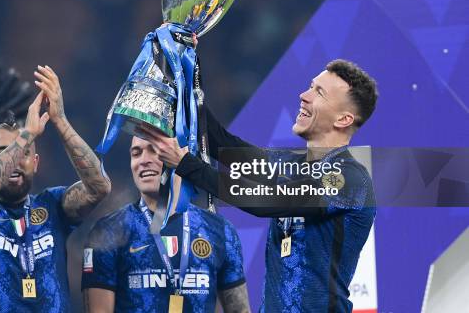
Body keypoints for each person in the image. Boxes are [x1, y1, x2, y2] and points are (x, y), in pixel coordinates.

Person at [138, 59, 378, 312]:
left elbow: (266, 200)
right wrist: (182, 69)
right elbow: (221, 142)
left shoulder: (348, 179)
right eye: (310, 86)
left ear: (343, 119)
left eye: (319, 93)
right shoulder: (291, 165)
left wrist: (186, 163)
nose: (303, 96)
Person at [0, 65, 111, 312]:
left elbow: (99, 188)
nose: (15, 159)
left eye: (24, 154)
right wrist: (27, 136)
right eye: (2, 152)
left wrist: (60, 120)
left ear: (35, 163)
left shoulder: (52, 205)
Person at [82, 136, 250, 313]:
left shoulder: (220, 230)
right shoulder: (108, 231)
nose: (144, 160)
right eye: (136, 153)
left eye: (154, 150)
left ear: (182, 155)